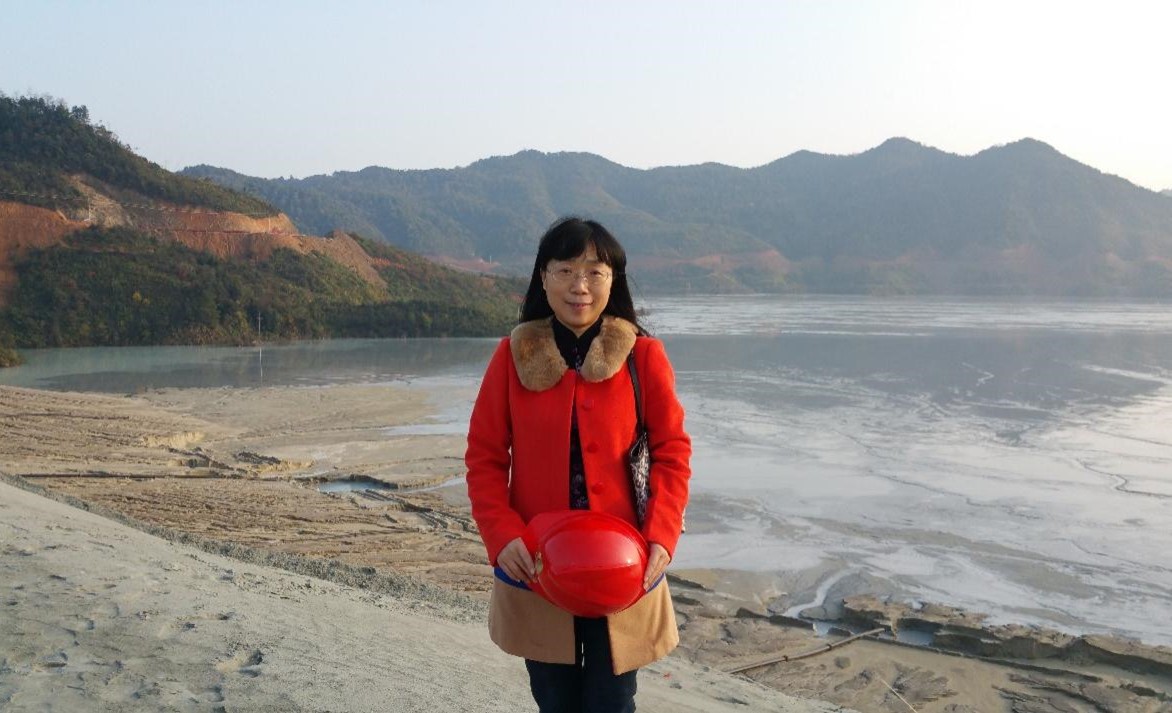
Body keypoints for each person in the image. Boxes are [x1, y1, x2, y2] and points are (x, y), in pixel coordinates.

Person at [465, 216, 691, 713]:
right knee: (554, 700)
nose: (579, 286)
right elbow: (484, 458)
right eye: (565, 270)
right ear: (543, 277)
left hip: (624, 564)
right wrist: (502, 536)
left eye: (594, 272)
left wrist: (661, 535)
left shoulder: (643, 357)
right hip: (536, 562)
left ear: (614, 280)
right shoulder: (511, 357)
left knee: (613, 702)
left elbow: (672, 452)